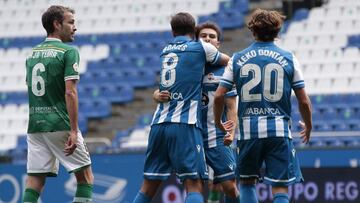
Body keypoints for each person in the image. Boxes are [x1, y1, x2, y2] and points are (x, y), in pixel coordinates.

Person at [213, 9, 312, 203]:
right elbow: (303, 101)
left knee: (247, 183)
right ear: (277, 31)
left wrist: (218, 122)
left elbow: (219, 96)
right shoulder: (289, 58)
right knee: (280, 187)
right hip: (279, 131)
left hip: (249, 133)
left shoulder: (237, 58)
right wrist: (308, 124)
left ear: (252, 31)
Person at [133, 13, 230, 203]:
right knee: (193, 185)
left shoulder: (165, 51)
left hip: (159, 124)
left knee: (147, 187)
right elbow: (229, 61)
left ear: (172, 31)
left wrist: (155, 94)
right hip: (185, 124)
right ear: (194, 31)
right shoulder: (201, 48)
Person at [154, 22, 240, 203]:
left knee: (230, 187)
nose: (208, 38)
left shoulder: (225, 70)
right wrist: (156, 94)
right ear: (196, 41)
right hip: (190, 133)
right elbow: (164, 88)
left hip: (216, 136)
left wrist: (231, 132)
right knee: (195, 185)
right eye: (204, 36)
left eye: (212, 36)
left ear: (218, 44)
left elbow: (231, 107)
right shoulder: (187, 64)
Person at [23, 5, 94, 203]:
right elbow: (70, 92)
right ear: (56, 24)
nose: (75, 27)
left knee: (35, 180)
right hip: (60, 123)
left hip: (36, 125)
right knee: (85, 178)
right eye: (71, 22)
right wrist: (73, 130)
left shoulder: (31, 54)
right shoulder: (68, 52)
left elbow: (31, 88)